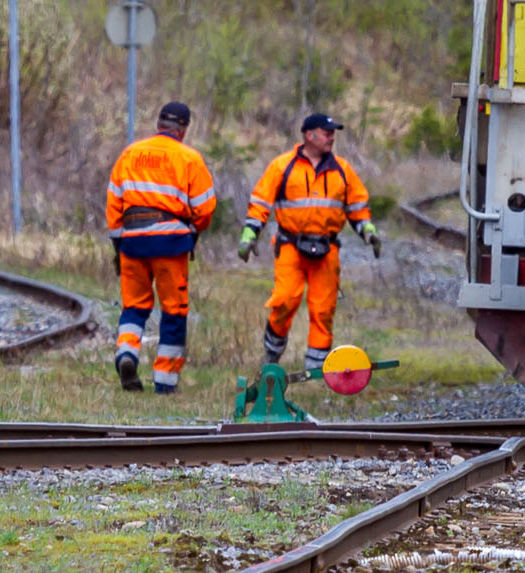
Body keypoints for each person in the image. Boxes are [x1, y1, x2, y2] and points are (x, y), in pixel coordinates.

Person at [239, 112, 378, 380]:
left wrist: (368, 232)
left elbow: (358, 207)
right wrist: (248, 235)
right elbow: (260, 202)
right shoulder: (282, 166)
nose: (331, 137)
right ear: (308, 135)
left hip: (327, 251)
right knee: (284, 301)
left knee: (323, 310)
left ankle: (315, 373)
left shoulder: (343, 170)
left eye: (333, 133)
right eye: (326, 133)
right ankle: (271, 358)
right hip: (290, 247)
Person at [105, 100, 217, 392]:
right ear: (183, 129)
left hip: (131, 242)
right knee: (174, 310)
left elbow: (114, 201)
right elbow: (206, 207)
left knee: (134, 307)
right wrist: (192, 232)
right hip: (170, 243)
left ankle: (126, 353)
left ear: (159, 124)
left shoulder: (130, 153)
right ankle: (165, 382)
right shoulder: (189, 158)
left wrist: (119, 243)